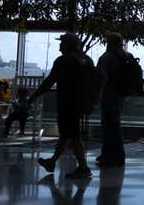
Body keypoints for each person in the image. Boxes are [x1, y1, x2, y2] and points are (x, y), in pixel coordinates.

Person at [28, 32, 93, 179]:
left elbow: (48, 82)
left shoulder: (63, 61)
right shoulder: (87, 60)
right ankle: (52, 161)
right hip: (82, 103)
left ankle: (83, 168)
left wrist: (31, 99)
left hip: (67, 103)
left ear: (69, 45)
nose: (59, 47)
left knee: (74, 135)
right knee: (66, 133)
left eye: (62, 43)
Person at [95, 33, 127, 167]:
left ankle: (108, 156)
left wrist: (97, 95)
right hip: (120, 95)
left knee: (108, 126)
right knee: (115, 125)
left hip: (108, 95)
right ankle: (117, 155)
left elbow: (101, 78)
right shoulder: (125, 56)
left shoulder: (106, 57)